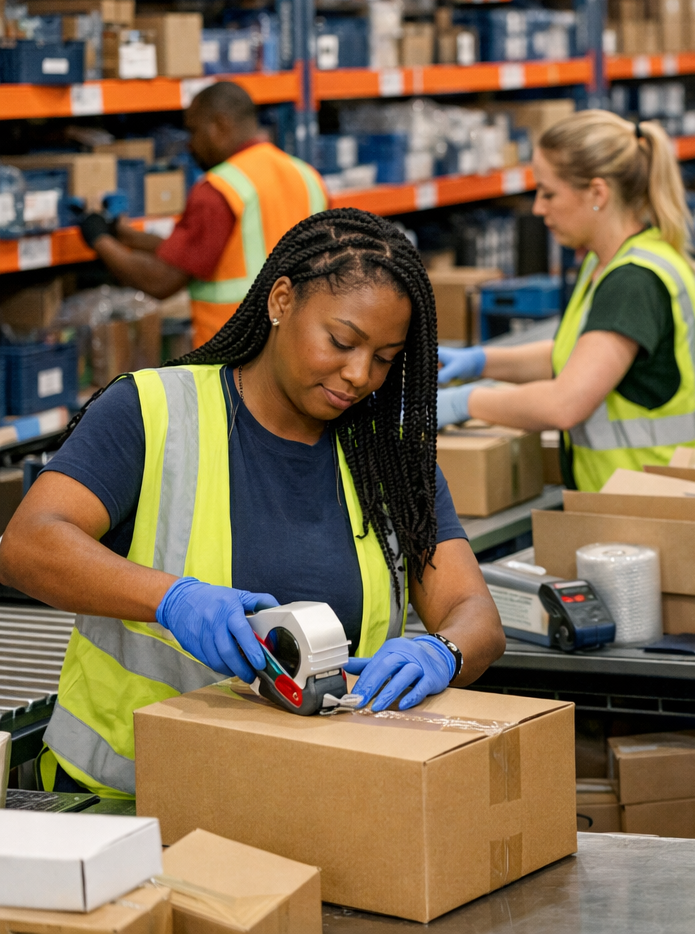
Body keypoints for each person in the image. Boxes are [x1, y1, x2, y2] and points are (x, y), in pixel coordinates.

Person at [0, 208, 505, 799]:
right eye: (341, 341)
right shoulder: (154, 410)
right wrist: (172, 599)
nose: (359, 374)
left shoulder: (388, 460)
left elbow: (475, 614)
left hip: (318, 801)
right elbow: (27, 545)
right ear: (282, 301)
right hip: (132, 806)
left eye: (386, 358)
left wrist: (440, 650)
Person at [435, 111, 695, 491]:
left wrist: (464, 402)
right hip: (652, 495)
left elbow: (566, 403)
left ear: (597, 193)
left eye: (548, 193)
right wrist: (480, 361)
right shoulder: (609, 260)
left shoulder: (633, 280)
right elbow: (581, 358)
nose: (539, 209)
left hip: (672, 499)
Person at [77, 81, 329, 348]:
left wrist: (99, 239)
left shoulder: (220, 189)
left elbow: (161, 280)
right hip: (299, 346)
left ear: (219, 126)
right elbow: (206, 252)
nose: (190, 145)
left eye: (193, 131)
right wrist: (126, 236)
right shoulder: (306, 176)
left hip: (235, 356)